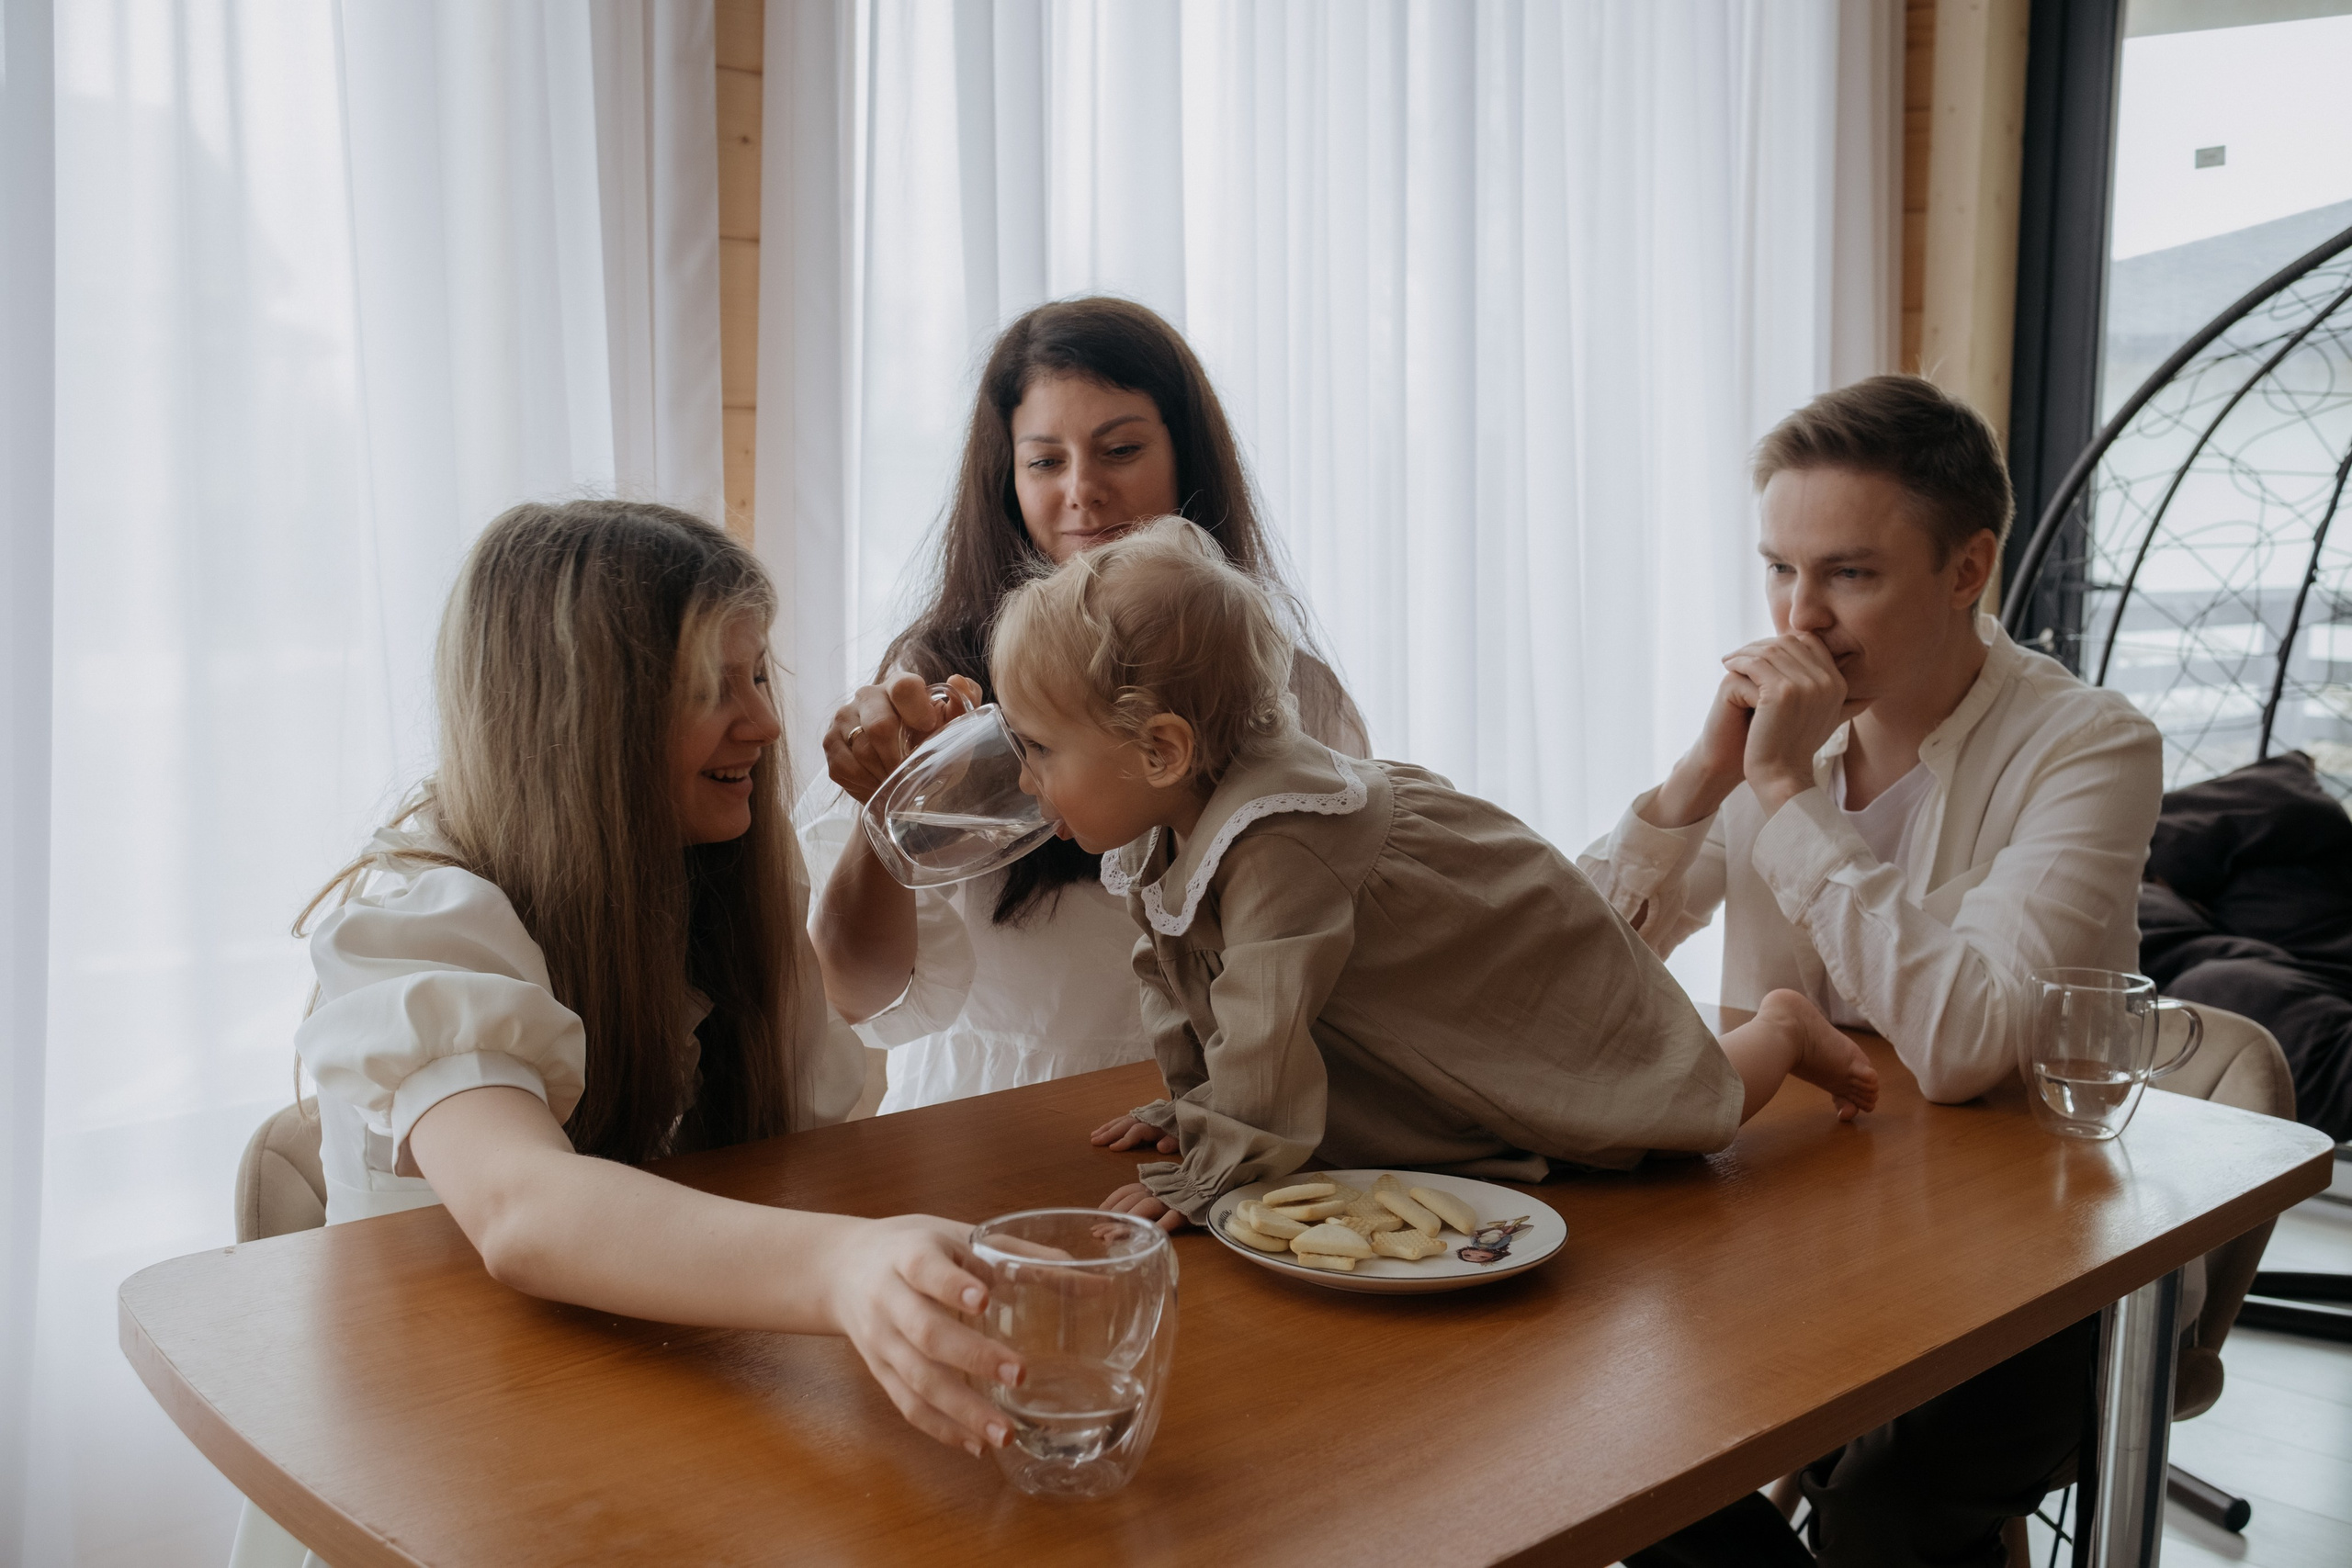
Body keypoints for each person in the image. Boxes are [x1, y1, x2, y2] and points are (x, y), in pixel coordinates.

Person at [232, 503, 1023, 1568]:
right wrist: (843, 1269)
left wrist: (892, 815)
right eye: (714, 689)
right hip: (435, 1480)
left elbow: (831, 1050)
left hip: (650, 1434)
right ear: (582, 714)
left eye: (757, 677)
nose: (763, 723)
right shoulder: (417, 918)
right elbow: (524, 1209)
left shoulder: (714, 875)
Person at [1576, 377, 2165, 1568]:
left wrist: (1786, 794)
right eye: (1778, 571)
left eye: (1847, 573)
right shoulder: (1775, 732)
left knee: (1883, 1523)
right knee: (1608, 1456)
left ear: (1966, 569)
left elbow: (1962, 1045)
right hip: (1797, 1219)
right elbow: (1560, 982)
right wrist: (1697, 781)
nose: (1799, 620)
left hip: (2037, 1259)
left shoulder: (2091, 745)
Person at [979, 518, 1876, 1231]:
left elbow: (1260, 1018)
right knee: (1475, 1125)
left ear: (1162, 749)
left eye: (1040, 750)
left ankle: (1778, 1035)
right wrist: (1197, 1113)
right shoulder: (1170, 827)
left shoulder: (1276, 844)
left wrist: (1215, 1171)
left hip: (1505, 948)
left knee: (1652, 1114)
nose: (1025, 780)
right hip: (1418, 990)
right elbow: (1175, 981)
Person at [804, 298, 1367, 1115]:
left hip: (1217, 1111)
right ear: (1007, 481)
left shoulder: (1292, 692)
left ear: (1187, 459)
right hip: (981, 1121)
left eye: (1122, 449)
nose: (1083, 492)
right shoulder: (937, 683)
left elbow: (1332, 962)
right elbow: (860, 999)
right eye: (1044, 462)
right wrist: (885, 812)